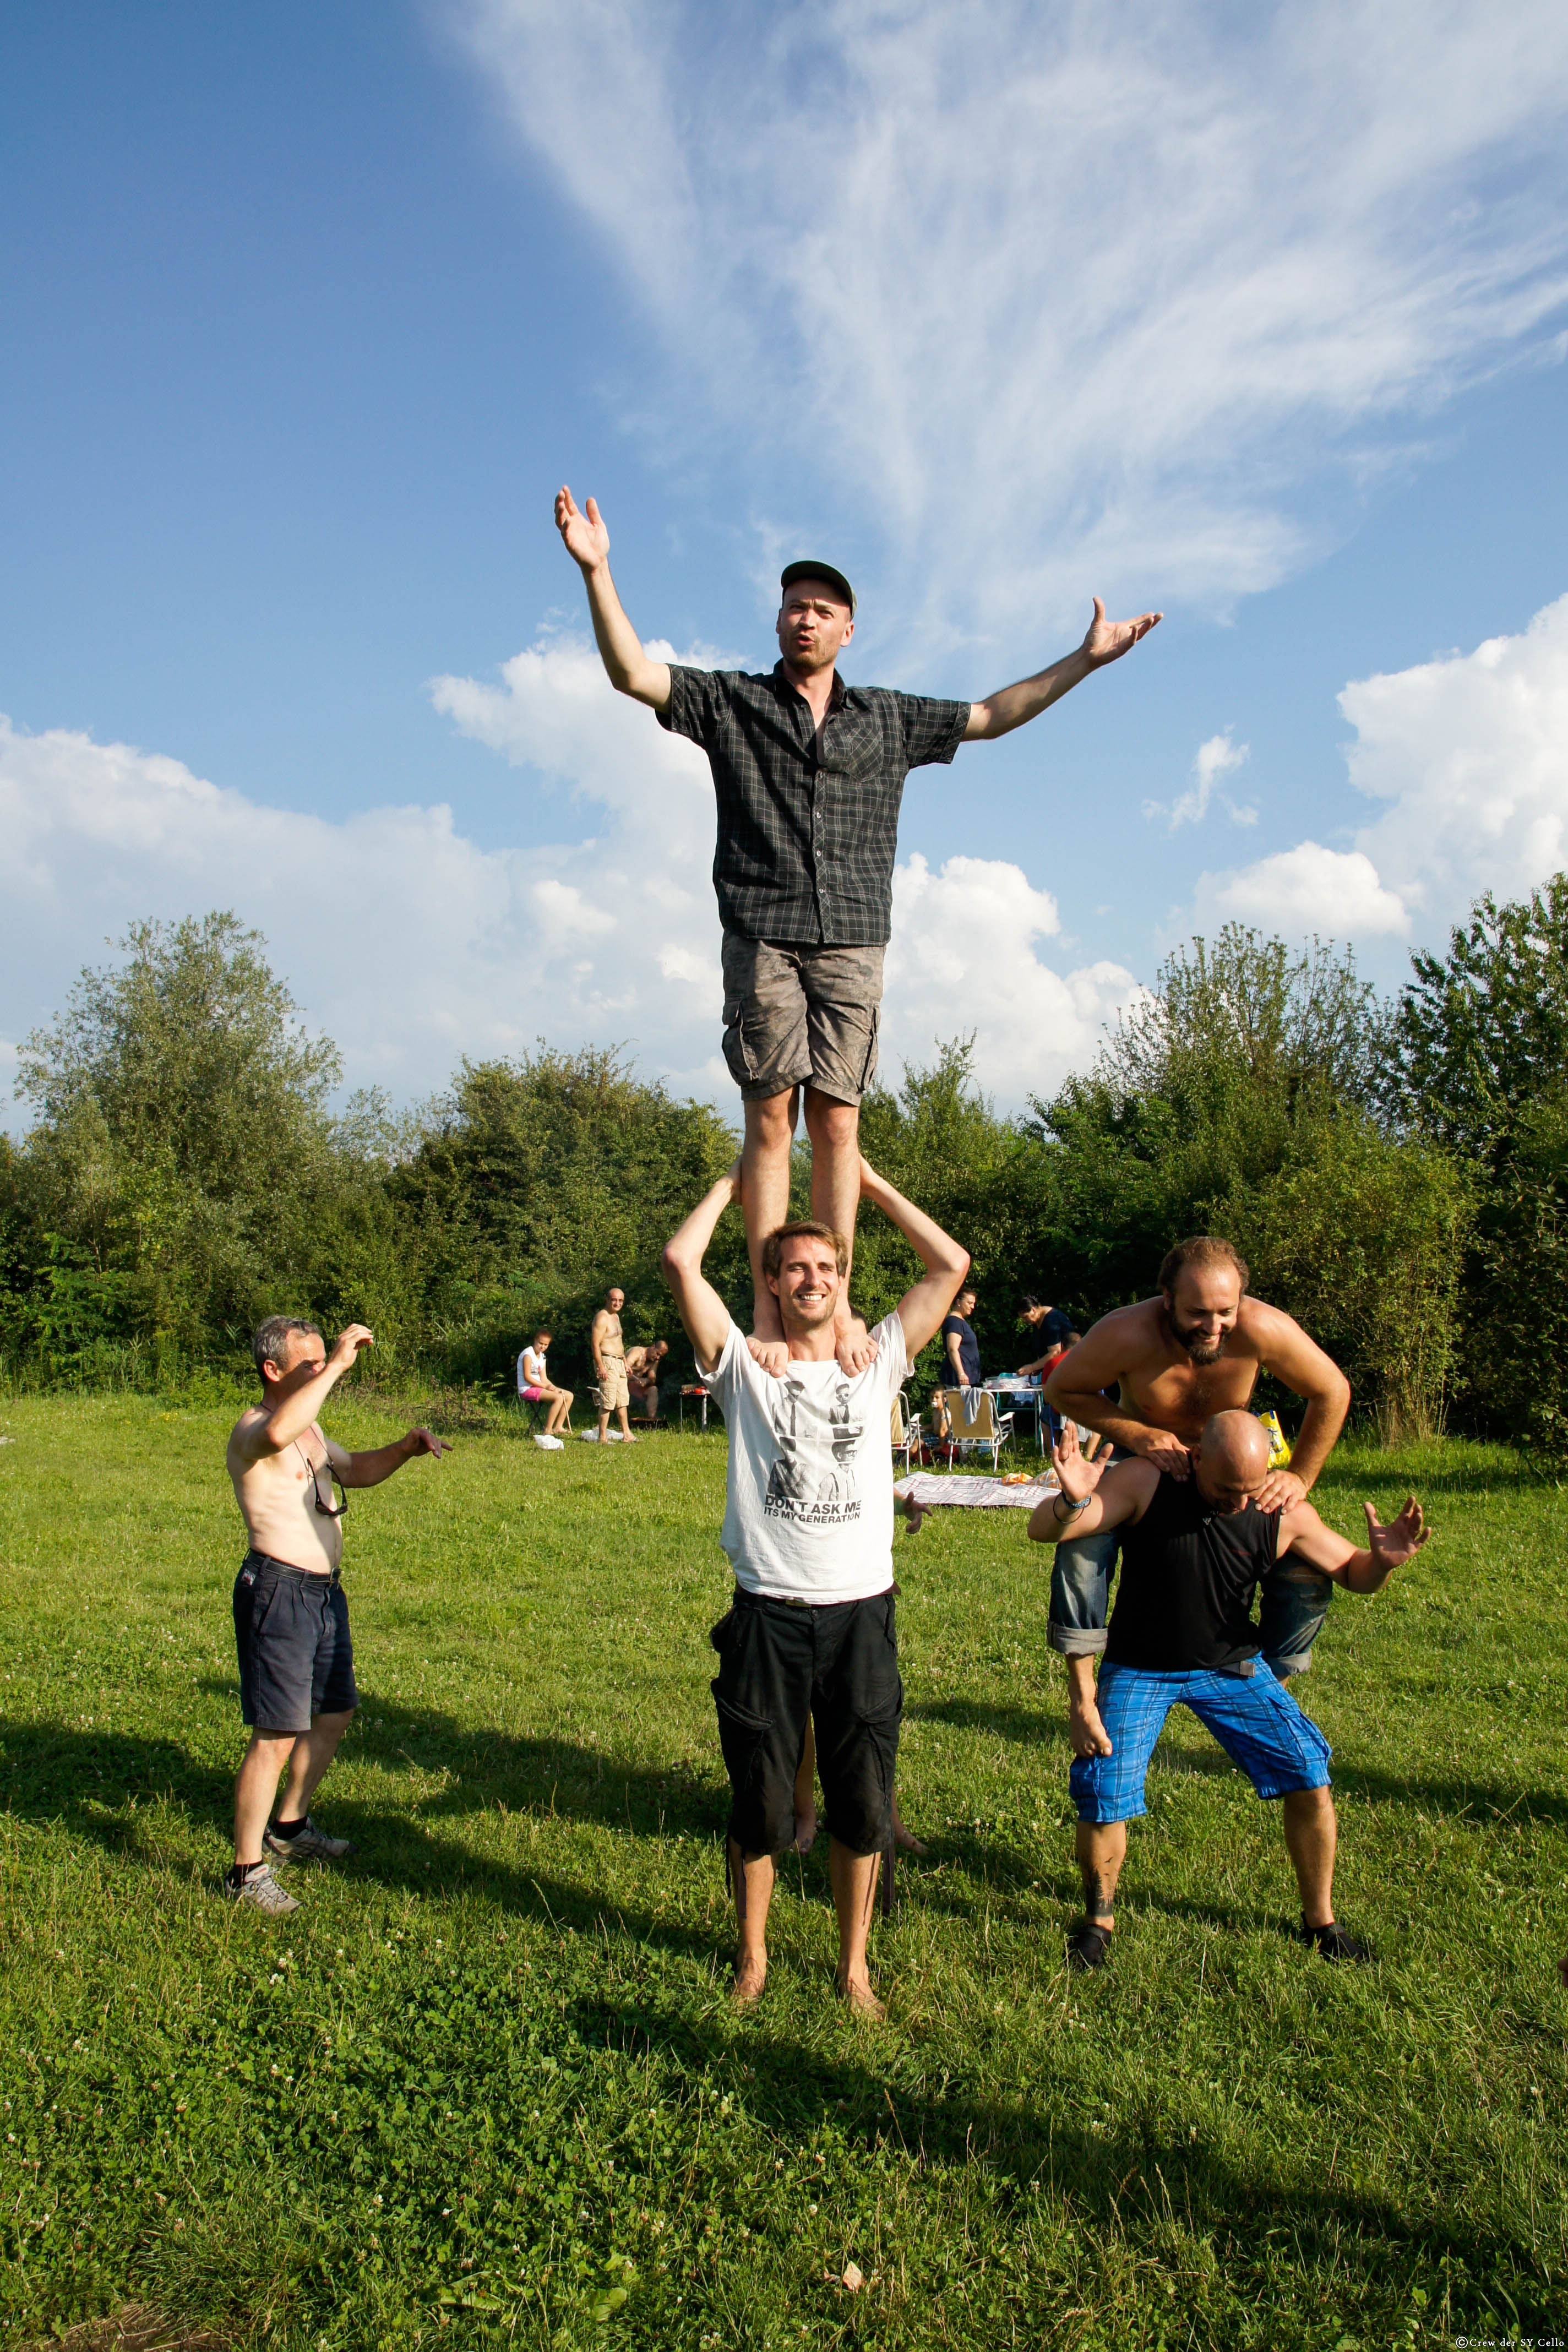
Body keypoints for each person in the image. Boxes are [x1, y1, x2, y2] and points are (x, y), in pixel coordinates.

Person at [556, 484, 1159, 1378]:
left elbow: (991, 716)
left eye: (822, 608)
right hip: (761, 927)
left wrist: (1083, 661)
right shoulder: (732, 704)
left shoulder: (887, 717)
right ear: (779, 622)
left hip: (851, 938)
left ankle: (831, 1307)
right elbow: (633, 674)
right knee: (770, 1122)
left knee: (836, 1122)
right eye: (793, 605)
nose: (805, 617)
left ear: (847, 629)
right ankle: (770, 1303)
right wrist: (599, 572)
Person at [661, 1153, 970, 2014]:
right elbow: (681, 1262)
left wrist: (872, 1186)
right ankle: (753, 1959)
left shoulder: (877, 1363)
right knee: (759, 1803)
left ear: (843, 1283)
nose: (813, 1280)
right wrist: (727, 1185)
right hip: (768, 1610)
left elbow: (950, 1266)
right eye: (795, 1267)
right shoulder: (742, 1367)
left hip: (861, 1615)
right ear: (769, 1279)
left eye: (828, 1269)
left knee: (862, 1805)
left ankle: (854, 1970)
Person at [1029, 1413, 1430, 1970]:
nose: (1239, 1502)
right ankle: (1098, 1921)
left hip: (1232, 1668)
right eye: (1224, 1489)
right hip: (1140, 1667)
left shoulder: (1278, 1509)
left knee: (1310, 1776)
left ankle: (1320, 1922)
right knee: (1102, 1792)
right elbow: (1049, 1531)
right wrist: (1072, 1500)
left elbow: (1352, 1571)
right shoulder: (1149, 1481)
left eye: (1249, 1488)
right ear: (1196, 1461)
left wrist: (1382, 1564)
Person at [1043, 1236, 1351, 1752]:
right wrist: (1137, 1434)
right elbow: (1062, 1390)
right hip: (1144, 1469)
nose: (1213, 1327)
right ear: (1166, 1299)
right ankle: (1083, 1694)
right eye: (1198, 1313)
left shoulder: (1263, 1328)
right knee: (1081, 1546)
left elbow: (1331, 1390)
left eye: (1225, 1313)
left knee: (1306, 1569)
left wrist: (1299, 1476)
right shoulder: (1127, 1332)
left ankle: (1271, 1686)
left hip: (1228, 1474)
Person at [225, 1316, 449, 1915]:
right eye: (311, 1364)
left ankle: (290, 1828)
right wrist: (341, 1368)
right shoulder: (255, 1428)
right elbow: (276, 1434)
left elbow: (354, 1472)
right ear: (272, 1371)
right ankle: (245, 1872)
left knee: (335, 1712)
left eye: (326, 1361)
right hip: (278, 1591)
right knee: (276, 1734)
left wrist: (404, 1448)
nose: (324, 1371)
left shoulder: (310, 1430)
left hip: (323, 1593)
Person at [930, 1283, 982, 1441]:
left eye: (974, 1304)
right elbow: (953, 1349)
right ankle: (961, 1452)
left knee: (965, 1414)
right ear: (958, 1302)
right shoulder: (954, 1322)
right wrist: (961, 1372)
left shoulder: (960, 1322)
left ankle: (964, 1450)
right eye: (969, 1303)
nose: (972, 1307)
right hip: (958, 1378)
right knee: (961, 1415)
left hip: (965, 1377)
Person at [588, 1286, 635, 1446]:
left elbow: (618, 1342)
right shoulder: (602, 1317)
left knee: (622, 1400)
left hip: (619, 1362)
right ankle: (602, 1438)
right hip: (607, 1361)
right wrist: (600, 1366)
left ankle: (627, 1434)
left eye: (620, 1300)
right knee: (607, 1401)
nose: (617, 1303)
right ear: (607, 1300)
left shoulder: (616, 1317)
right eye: (614, 1300)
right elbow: (595, 1344)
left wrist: (625, 1362)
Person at [518, 1328, 574, 1445]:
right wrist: (545, 1387)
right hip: (527, 1389)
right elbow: (528, 1377)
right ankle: (547, 1431)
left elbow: (544, 1379)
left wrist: (553, 1388)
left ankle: (558, 1427)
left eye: (546, 1345)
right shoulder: (528, 1355)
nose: (543, 1347)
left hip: (539, 1386)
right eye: (541, 1343)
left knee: (569, 1395)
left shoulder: (542, 1357)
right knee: (558, 1398)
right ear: (535, 1341)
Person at [624, 1337, 669, 1424]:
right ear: (653, 1347)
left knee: (653, 1390)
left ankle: (651, 1420)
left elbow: (652, 1380)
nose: (658, 1358)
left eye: (661, 1357)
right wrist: (636, 1379)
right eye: (657, 1354)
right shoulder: (637, 1352)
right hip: (623, 1383)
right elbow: (624, 1369)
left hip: (635, 1386)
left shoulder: (655, 1361)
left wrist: (646, 1381)